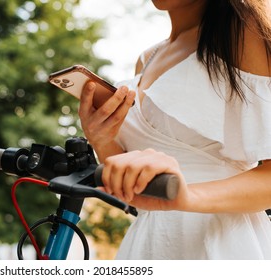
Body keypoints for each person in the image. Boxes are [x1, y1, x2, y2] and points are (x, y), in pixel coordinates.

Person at [78, 0, 271, 259]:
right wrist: (101, 140)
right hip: (148, 240)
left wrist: (187, 196)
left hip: (221, 240)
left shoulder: (242, 30)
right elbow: (135, 190)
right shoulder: (146, 59)